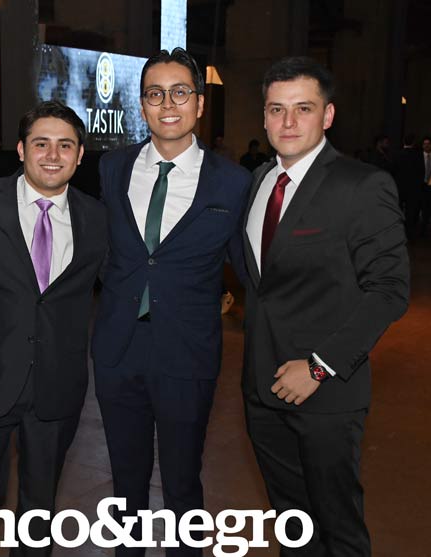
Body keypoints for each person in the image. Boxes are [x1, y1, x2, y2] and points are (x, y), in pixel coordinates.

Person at [241, 57, 409, 555]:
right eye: (277, 109)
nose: (289, 122)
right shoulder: (259, 181)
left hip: (326, 396)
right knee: (294, 527)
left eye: (304, 108)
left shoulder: (362, 185)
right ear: (264, 117)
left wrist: (319, 367)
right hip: (262, 390)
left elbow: (389, 290)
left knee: (338, 531)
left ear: (328, 115)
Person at [91, 47, 251, 557]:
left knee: (182, 486)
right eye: (155, 94)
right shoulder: (112, 168)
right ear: (141, 104)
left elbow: (252, 269)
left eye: (180, 92)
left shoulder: (233, 182)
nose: (167, 104)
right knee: (126, 489)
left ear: (199, 103)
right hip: (118, 349)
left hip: (187, 354)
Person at [0, 100, 107, 557]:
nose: (52, 155)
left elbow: (123, 287)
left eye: (65, 145)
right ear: (20, 149)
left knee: (39, 511)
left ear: (80, 155)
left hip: (57, 387)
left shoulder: (97, 218)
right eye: (41, 143)